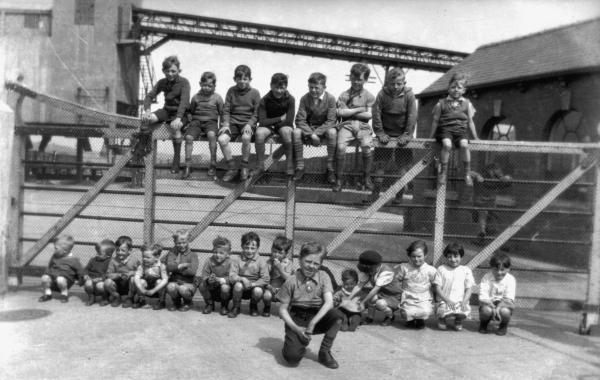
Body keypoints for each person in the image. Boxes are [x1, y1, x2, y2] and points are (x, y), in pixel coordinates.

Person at [279, 241, 343, 369]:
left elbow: (329, 302)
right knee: (292, 358)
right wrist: (296, 329)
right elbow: (282, 310)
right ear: (300, 260)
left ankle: (324, 352)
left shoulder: (323, 276)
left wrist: (313, 324)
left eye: (316, 263)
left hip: (316, 315)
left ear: (320, 264)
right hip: (297, 317)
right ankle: (295, 342)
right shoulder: (291, 281)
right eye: (308, 261)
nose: (311, 266)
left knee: (337, 316)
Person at [371, 67, 417, 203]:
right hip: (385, 134)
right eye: (392, 84)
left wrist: (407, 135)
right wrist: (379, 132)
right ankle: (375, 195)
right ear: (387, 83)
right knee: (380, 167)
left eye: (399, 84)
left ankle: (399, 196)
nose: (395, 87)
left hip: (403, 135)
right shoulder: (382, 94)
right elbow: (376, 113)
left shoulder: (409, 95)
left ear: (404, 83)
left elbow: (412, 115)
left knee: (402, 168)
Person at [141, 55, 191, 174]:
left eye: (173, 71)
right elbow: (149, 96)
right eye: (167, 71)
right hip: (167, 111)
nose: (170, 74)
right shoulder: (162, 82)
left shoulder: (184, 82)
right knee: (148, 119)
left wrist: (178, 118)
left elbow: (184, 102)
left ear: (179, 71)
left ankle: (176, 161)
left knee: (176, 129)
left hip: (181, 113)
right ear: (163, 71)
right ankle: (142, 148)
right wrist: (147, 110)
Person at [429, 72, 479, 186]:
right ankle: (443, 173)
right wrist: (431, 136)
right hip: (446, 130)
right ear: (448, 88)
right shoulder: (441, 103)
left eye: (459, 87)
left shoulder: (467, 103)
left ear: (464, 90)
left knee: (465, 145)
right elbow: (435, 121)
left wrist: (476, 137)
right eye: (453, 87)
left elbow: (470, 121)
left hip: (461, 131)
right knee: (447, 145)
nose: (456, 89)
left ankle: (467, 173)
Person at [333, 63, 376, 192]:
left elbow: (370, 114)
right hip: (346, 125)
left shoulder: (369, 96)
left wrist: (350, 110)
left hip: (363, 126)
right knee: (340, 148)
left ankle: (366, 177)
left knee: (367, 147)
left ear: (366, 80)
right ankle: (339, 180)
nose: (357, 82)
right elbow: (340, 113)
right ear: (350, 77)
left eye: (360, 79)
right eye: (354, 78)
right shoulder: (344, 95)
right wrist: (360, 109)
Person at [218, 64, 261, 182]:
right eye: (239, 79)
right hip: (232, 123)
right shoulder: (231, 91)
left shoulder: (255, 93)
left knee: (246, 138)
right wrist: (226, 124)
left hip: (247, 123)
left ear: (250, 79)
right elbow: (226, 109)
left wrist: (250, 124)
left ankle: (244, 166)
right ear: (235, 79)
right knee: (222, 140)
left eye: (245, 79)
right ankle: (232, 168)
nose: (242, 81)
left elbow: (257, 112)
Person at [293, 72, 338, 183]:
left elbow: (331, 120)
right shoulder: (304, 98)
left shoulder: (331, 98)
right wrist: (311, 134)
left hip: (324, 130)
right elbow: (299, 120)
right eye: (310, 87)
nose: (313, 90)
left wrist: (317, 133)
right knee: (296, 133)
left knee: (333, 133)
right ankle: (300, 166)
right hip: (308, 130)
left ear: (324, 87)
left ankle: (330, 168)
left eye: (316, 88)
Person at [182, 71, 224, 179]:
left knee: (211, 135)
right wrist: (189, 121)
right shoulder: (195, 97)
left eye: (210, 86)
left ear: (214, 86)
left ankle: (213, 164)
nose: (207, 88)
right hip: (196, 122)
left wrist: (223, 126)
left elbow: (222, 113)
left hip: (211, 122)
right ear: (200, 84)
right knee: (188, 137)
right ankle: (187, 166)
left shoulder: (217, 98)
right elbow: (191, 111)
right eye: (204, 85)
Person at [255, 73, 296, 178]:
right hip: (269, 126)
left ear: (286, 87)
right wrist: (279, 119)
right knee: (259, 133)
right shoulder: (264, 100)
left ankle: (289, 164)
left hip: (282, 126)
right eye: (276, 87)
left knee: (287, 131)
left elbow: (289, 121)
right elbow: (262, 122)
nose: (279, 91)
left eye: (282, 88)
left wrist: (275, 124)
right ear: (271, 85)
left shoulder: (291, 99)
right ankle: (260, 165)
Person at [351, 250, 403, 326]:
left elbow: (375, 289)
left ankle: (390, 316)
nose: (367, 273)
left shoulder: (386, 272)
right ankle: (370, 318)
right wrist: (349, 297)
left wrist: (362, 302)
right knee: (372, 298)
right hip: (382, 293)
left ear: (377, 266)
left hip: (394, 297)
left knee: (380, 304)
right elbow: (359, 285)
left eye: (369, 270)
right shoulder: (370, 270)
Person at [396, 240, 439, 329]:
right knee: (406, 313)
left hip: (424, 297)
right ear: (409, 256)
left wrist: (436, 300)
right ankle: (410, 320)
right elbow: (397, 281)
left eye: (419, 256)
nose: (416, 259)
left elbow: (435, 285)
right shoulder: (404, 267)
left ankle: (420, 320)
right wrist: (398, 295)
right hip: (408, 296)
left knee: (425, 311)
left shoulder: (431, 270)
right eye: (413, 256)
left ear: (425, 255)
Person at [228, 231, 270, 318]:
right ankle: (236, 306)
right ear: (242, 246)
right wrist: (242, 279)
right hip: (240, 287)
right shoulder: (236, 259)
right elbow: (232, 275)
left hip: (254, 287)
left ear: (257, 248)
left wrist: (253, 284)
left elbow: (265, 278)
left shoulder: (261, 261)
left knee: (258, 291)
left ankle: (253, 306)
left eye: (252, 248)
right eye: (246, 247)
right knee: (238, 285)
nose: (249, 251)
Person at [434, 243, 475, 331]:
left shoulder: (465, 270)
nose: (453, 259)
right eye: (449, 256)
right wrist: (447, 300)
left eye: (456, 256)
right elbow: (437, 288)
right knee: (442, 309)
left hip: (459, 300)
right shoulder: (441, 269)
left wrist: (464, 301)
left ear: (461, 256)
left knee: (463, 310)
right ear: (446, 257)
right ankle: (442, 319)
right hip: (444, 300)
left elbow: (469, 288)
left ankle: (458, 320)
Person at [472, 162, 513, 244]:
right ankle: (482, 233)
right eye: (493, 171)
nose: (494, 173)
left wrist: (507, 178)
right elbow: (470, 173)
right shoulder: (482, 177)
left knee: (495, 219)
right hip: (479, 205)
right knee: (483, 213)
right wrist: (477, 175)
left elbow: (509, 180)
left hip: (491, 206)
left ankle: (498, 240)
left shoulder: (498, 180)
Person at [38, 234, 84, 303]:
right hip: (53, 278)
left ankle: (64, 294)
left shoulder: (74, 260)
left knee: (60, 279)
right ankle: (48, 294)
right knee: (44, 277)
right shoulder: (55, 255)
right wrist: (47, 275)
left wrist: (80, 281)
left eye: (56, 248)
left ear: (65, 250)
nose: (54, 250)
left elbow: (80, 271)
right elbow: (50, 266)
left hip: (65, 280)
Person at [478, 252, 516, 336]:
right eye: (496, 269)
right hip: (489, 303)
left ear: (508, 269)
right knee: (486, 311)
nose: (499, 272)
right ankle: (484, 323)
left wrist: (498, 307)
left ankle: (503, 326)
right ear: (491, 268)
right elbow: (483, 296)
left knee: (505, 312)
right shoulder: (486, 277)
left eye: (502, 269)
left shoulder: (511, 279)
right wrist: (493, 307)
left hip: (504, 304)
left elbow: (508, 299)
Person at [163, 229, 198, 312]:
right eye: (179, 243)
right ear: (175, 242)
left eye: (184, 242)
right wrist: (181, 266)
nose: (182, 245)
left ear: (188, 241)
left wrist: (176, 268)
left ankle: (188, 302)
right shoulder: (172, 253)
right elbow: (169, 267)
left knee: (183, 289)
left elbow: (192, 271)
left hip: (188, 282)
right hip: (175, 281)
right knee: (170, 287)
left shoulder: (193, 255)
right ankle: (176, 302)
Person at [197, 236, 233, 315]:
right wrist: (208, 279)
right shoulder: (209, 260)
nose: (217, 255)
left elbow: (232, 278)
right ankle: (210, 304)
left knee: (225, 287)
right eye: (215, 252)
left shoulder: (230, 262)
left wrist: (219, 280)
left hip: (224, 290)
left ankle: (224, 306)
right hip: (212, 287)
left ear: (228, 253)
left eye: (221, 253)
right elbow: (204, 275)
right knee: (202, 285)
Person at [262, 235, 294, 317]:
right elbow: (265, 276)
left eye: (280, 253)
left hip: (283, 290)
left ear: (286, 254)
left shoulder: (288, 263)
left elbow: (288, 278)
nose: (276, 255)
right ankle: (267, 307)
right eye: (274, 251)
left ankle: (286, 310)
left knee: (292, 292)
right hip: (271, 289)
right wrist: (268, 285)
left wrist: (279, 268)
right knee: (267, 295)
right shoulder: (269, 262)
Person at [104, 235, 140, 308]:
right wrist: (119, 275)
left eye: (123, 250)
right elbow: (108, 275)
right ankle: (116, 297)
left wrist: (131, 273)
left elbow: (140, 272)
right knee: (107, 282)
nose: (119, 252)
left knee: (134, 279)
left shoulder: (135, 260)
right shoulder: (113, 261)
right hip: (118, 285)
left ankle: (130, 298)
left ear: (130, 250)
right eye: (117, 250)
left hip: (130, 286)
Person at [132, 244, 169, 310]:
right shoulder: (142, 266)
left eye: (147, 257)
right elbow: (136, 277)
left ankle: (161, 301)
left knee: (159, 281)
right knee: (141, 281)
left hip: (157, 289)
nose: (144, 259)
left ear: (157, 257)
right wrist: (141, 289)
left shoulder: (161, 266)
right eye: (143, 256)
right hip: (146, 289)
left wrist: (154, 290)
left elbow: (165, 280)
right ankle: (141, 300)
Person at [83, 239, 115, 306]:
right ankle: (91, 297)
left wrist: (101, 279)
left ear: (108, 255)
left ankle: (105, 298)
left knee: (99, 285)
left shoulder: (110, 262)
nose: (96, 254)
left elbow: (108, 274)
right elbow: (86, 269)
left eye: (99, 253)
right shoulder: (93, 260)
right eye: (96, 252)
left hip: (101, 281)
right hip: (92, 280)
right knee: (87, 283)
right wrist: (85, 275)